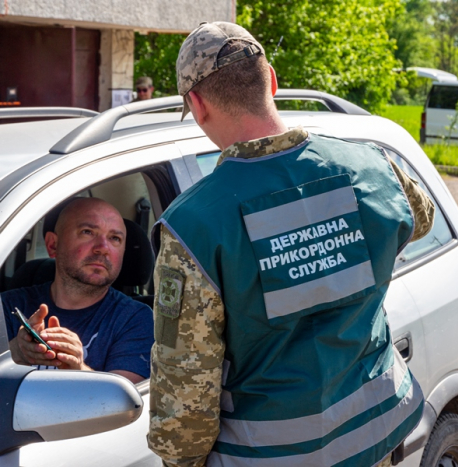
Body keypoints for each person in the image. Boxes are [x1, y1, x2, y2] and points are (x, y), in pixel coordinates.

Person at [147, 22, 434, 467]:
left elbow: (184, 403)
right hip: (372, 436)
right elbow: (421, 220)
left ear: (198, 105)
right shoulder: (373, 165)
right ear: (273, 81)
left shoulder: (193, 226)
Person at [2, 198, 154, 384]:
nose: (103, 249)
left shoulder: (135, 319)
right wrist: (17, 352)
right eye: (88, 232)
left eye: (115, 238)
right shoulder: (7, 306)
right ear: (53, 245)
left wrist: (77, 369)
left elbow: (125, 405)